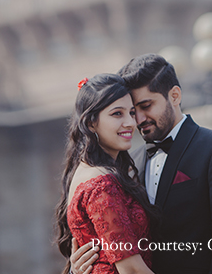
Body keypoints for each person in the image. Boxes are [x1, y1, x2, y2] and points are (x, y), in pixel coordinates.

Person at [71, 54, 212, 274]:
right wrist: (78, 271)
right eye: (133, 111)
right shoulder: (130, 161)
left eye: (146, 106)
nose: (138, 120)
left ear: (174, 96)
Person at [56, 73, 159, 274]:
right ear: (91, 122)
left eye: (131, 113)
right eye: (117, 114)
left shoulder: (87, 170)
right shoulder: (101, 183)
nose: (130, 123)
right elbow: (131, 269)